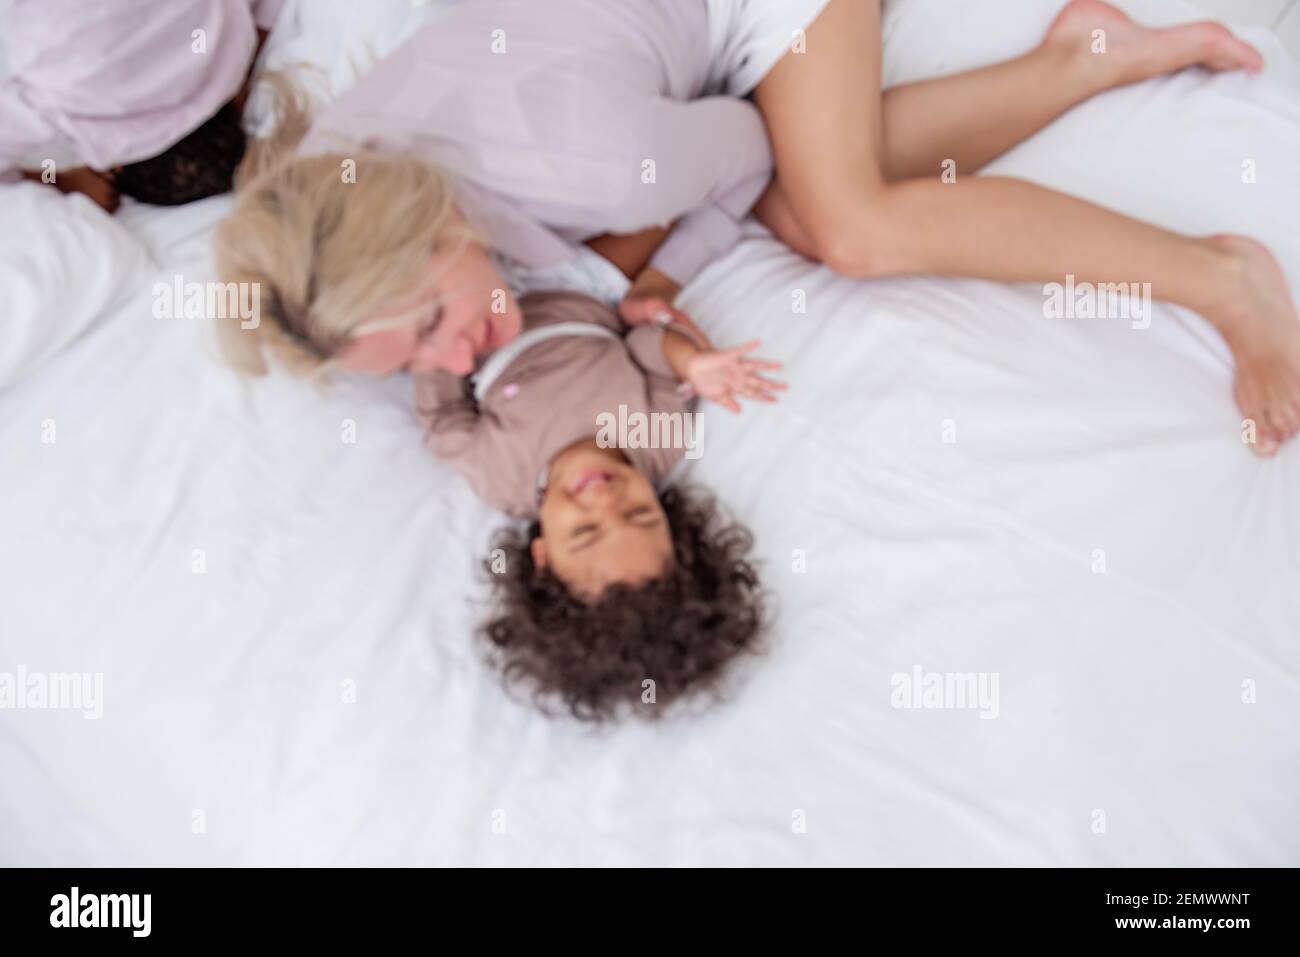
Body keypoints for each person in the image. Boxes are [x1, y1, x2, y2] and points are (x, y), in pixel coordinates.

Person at [215, 0, 1300, 454]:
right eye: (414, 360)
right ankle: (1078, 57)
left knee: (846, 226)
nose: (456, 362)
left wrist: (653, 270)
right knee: (818, 195)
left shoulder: (584, 165)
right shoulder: (315, 185)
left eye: (436, 324)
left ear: (427, 228)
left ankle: (1218, 278)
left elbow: (739, 148)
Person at [422, 290, 778, 719]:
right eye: (638, 514)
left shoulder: (503, 477)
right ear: (671, 521)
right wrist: (689, 362)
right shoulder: (659, 439)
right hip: (582, 282)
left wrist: (437, 340)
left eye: (584, 531)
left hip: (478, 310)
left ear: (542, 555)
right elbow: (645, 343)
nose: (605, 500)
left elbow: (444, 420)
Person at [0, 0, 283, 210]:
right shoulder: (60, 104)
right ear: (117, 166)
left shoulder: (225, 33)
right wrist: (60, 183)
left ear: (238, 104)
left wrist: (251, 55)